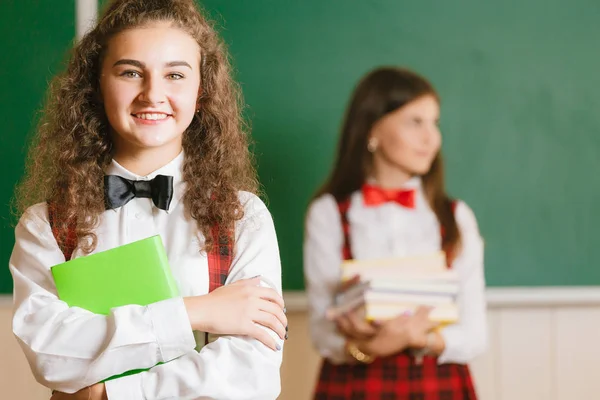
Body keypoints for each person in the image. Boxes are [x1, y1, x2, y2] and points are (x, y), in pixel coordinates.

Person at [10, 0, 286, 399]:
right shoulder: (47, 224)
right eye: (130, 72)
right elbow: (51, 354)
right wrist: (196, 311)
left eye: (175, 74)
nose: (153, 94)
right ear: (97, 83)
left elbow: (249, 375)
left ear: (201, 90)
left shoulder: (243, 217)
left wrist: (112, 393)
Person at [304, 66, 487, 399]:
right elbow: (321, 329)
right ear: (373, 129)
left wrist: (421, 339)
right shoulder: (329, 213)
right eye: (415, 122)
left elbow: (475, 333)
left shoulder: (456, 217)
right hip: (355, 385)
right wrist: (368, 347)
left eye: (434, 123)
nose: (431, 138)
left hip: (438, 384)